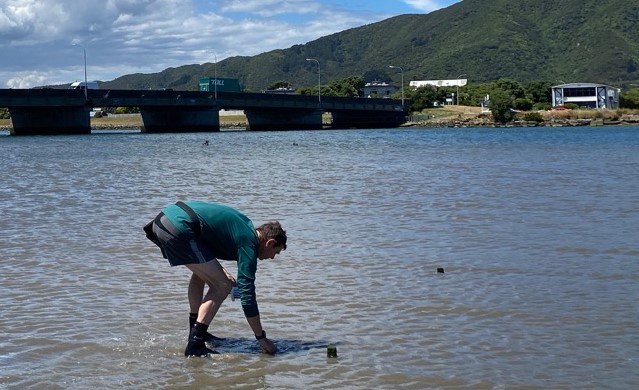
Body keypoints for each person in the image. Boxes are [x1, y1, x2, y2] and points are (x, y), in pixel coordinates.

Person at [144, 200, 287, 357]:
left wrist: (221, 270)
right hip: (178, 226)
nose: (272, 258)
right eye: (276, 252)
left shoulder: (243, 227)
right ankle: (195, 345)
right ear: (270, 242)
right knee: (222, 285)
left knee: (201, 276)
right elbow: (248, 296)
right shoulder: (249, 243)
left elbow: (206, 246)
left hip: (164, 220)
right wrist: (261, 338)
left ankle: (197, 334)